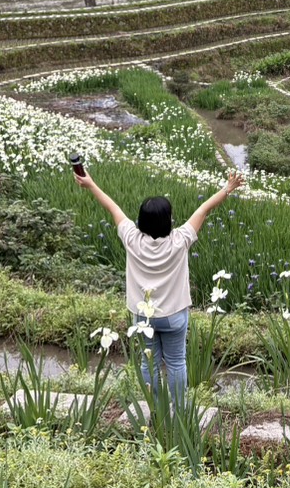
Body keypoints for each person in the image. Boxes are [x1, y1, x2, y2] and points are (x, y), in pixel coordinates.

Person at [76, 167, 244, 402]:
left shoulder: (131, 239)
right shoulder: (179, 240)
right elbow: (204, 209)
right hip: (174, 316)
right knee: (176, 362)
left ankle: (155, 406)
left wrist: (91, 184)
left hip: (144, 318)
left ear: (140, 222)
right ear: (169, 221)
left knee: (149, 362)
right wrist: (228, 188)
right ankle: (178, 409)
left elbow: (112, 207)